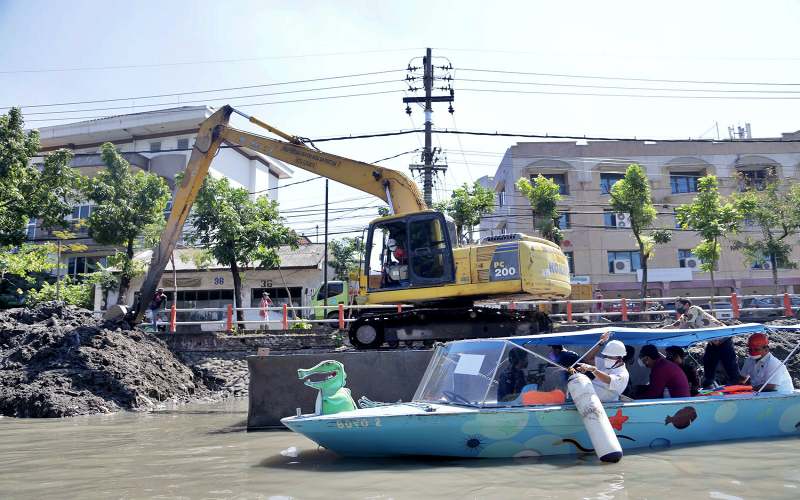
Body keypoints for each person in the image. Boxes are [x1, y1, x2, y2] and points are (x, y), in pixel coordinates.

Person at [665, 297, 740, 388]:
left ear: (687, 305)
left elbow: (686, 326)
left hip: (723, 338)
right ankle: (708, 383)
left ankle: (737, 382)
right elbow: (674, 326)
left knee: (728, 362)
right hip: (713, 342)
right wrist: (658, 331)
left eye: (679, 305)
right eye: (676, 306)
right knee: (708, 361)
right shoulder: (684, 317)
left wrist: (678, 335)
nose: (677, 307)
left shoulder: (693, 309)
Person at [575, 331, 630, 402]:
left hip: (607, 406)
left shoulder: (623, 374)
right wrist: (600, 343)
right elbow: (588, 359)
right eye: (606, 356)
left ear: (620, 358)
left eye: (610, 357)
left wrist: (593, 370)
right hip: (589, 401)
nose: (607, 358)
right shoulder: (605, 362)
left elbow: (608, 379)